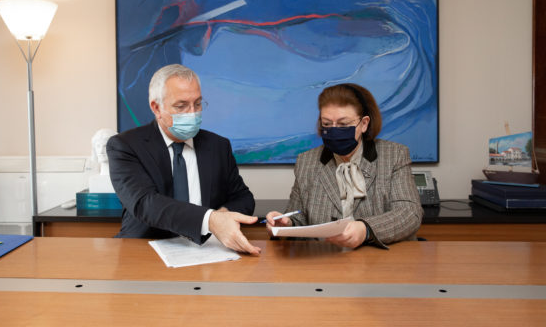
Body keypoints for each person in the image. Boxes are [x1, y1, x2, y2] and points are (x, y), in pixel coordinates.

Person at [106, 64, 261, 255]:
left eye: (198, 104)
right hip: (145, 250)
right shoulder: (125, 146)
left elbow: (243, 197)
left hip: (206, 250)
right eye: (181, 106)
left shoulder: (218, 145)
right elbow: (145, 203)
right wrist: (210, 220)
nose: (192, 113)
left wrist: (221, 217)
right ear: (156, 108)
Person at [265, 83, 422, 249]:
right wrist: (286, 225)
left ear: (364, 124)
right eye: (327, 124)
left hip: (379, 259)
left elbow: (409, 213)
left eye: (343, 124)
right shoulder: (307, 162)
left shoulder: (394, 155)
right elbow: (299, 217)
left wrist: (366, 229)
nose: (334, 131)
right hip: (326, 259)